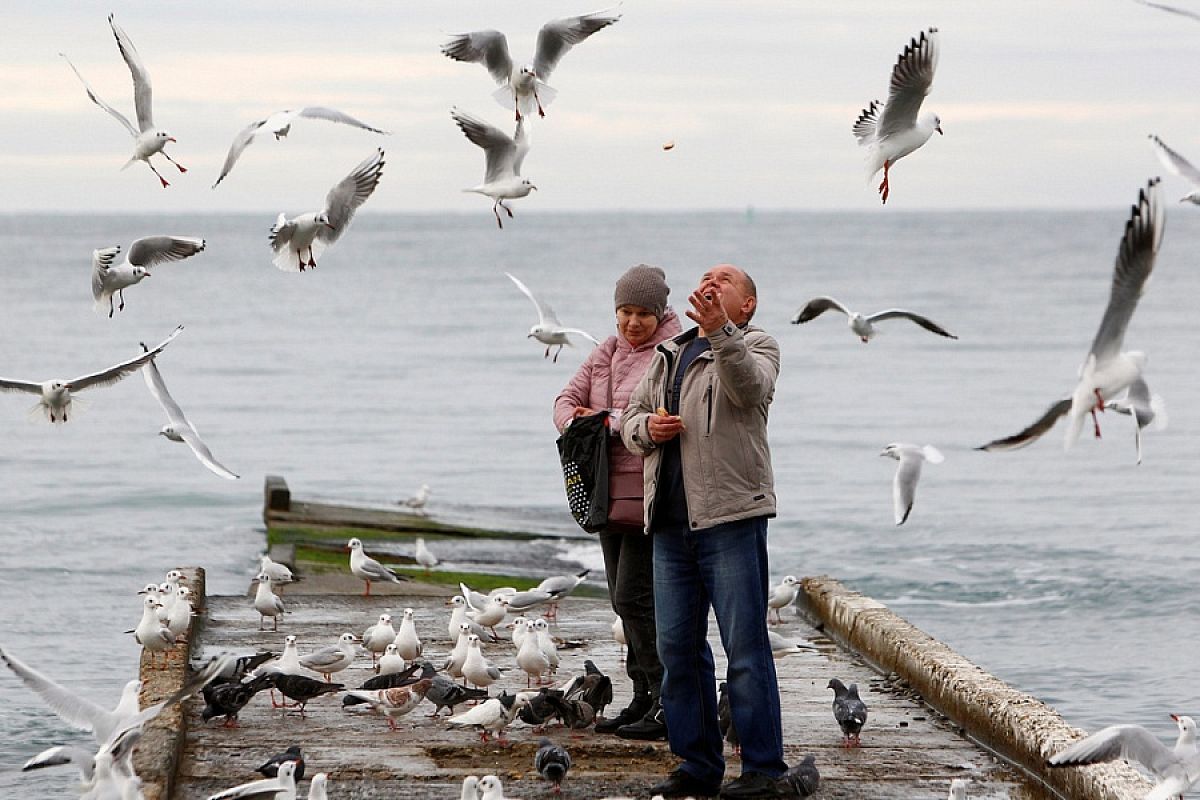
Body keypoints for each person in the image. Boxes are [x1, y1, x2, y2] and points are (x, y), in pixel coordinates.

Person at [620, 263, 787, 799]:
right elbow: (630, 419)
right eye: (707, 275)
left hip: (731, 520)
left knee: (745, 647)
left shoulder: (758, 345)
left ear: (747, 304)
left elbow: (748, 391)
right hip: (669, 526)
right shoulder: (669, 352)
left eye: (727, 279)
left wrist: (720, 332)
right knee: (677, 651)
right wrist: (649, 428)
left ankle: (763, 769)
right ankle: (697, 765)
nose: (711, 281)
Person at [553, 264, 681, 739]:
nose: (632, 322)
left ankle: (667, 702)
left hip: (651, 493)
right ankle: (642, 696)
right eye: (624, 311)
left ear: (660, 311)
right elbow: (564, 402)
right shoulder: (604, 352)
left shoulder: (673, 353)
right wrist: (584, 419)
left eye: (643, 313)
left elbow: (650, 417)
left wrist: (602, 420)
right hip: (605, 492)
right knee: (621, 602)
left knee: (636, 598)